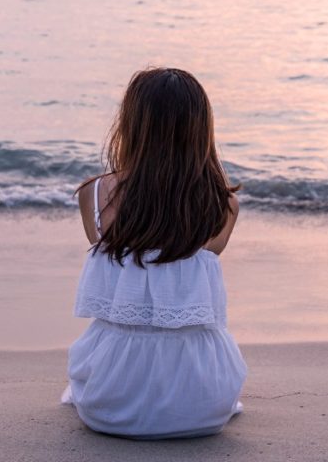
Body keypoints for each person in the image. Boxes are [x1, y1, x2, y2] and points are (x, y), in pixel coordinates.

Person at [61, 67, 247, 439]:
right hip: (204, 406)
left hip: (109, 404)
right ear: (200, 129)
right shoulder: (224, 205)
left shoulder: (95, 196)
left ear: (130, 124)